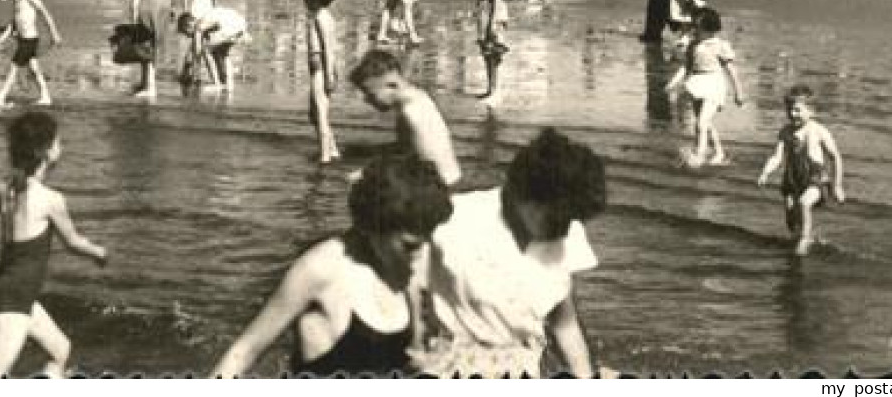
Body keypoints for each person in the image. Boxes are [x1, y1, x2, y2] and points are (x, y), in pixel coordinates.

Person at [213, 150, 453, 378]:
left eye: (428, 240)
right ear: (370, 227)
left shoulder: (410, 270)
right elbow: (244, 353)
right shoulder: (319, 270)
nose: (422, 255)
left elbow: (417, 359)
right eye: (409, 246)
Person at [0, 111, 108, 378]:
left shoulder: (6, 189)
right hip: (15, 298)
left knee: (60, 351)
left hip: (10, 289)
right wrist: (97, 252)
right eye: (59, 143)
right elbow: (72, 242)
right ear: (46, 153)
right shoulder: (51, 199)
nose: (62, 147)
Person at [421, 128, 605, 378]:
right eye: (556, 218)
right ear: (524, 193)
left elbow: (565, 324)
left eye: (571, 219)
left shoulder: (566, 230)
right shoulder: (451, 222)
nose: (564, 229)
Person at [349, 50, 461, 187]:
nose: (366, 100)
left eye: (370, 93)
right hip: (449, 179)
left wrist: (369, 174)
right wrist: (370, 151)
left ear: (391, 85)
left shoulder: (410, 113)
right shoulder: (418, 97)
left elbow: (426, 165)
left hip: (440, 187)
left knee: (357, 182)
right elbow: (408, 148)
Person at [757, 85, 846, 256]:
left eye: (798, 110)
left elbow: (835, 156)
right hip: (792, 179)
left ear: (811, 111)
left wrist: (837, 185)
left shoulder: (819, 131)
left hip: (815, 177)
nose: (792, 114)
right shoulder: (785, 132)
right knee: (790, 218)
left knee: (804, 203)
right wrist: (766, 172)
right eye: (789, 110)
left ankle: (805, 239)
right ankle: (801, 236)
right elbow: (777, 156)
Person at [665, 7, 742, 168]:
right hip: (697, 83)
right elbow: (686, 67)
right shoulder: (693, 45)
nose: (694, 29)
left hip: (714, 84)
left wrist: (738, 92)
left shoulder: (720, 45)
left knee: (701, 122)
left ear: (710, 28)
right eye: (693, 26)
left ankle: (699, 154)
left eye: (697, 27)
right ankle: (719, 153)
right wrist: (673, 83)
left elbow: (731, 70)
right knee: (705, 123)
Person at [0, 0, 62, 109]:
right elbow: (13, 23)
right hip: (24, 40)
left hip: (30, 39)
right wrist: (1, 39)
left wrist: (54, 34)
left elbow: (46, 14)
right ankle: (45, 96)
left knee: (14, 67)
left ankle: (1, 97)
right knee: (34, 67)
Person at [303, 0, 342, 164]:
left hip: (320, 71)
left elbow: (329, 48)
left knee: (320, 114)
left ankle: (325, 157)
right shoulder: (318, 17)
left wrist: (329, 76)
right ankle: (332, 150)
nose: (304, 2)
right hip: (316, 70)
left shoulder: (322, 18)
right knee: (314, 114)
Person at [196, 3, 248, 95]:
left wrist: (194, 71)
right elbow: (216, 26)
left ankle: (217, 84)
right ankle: (229, 84)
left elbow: (197, 49)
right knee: (223, 53)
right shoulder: (213, 14)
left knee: (206, 50)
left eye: (186, 32)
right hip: (241, 25)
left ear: (188, 25)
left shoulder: (199, 23)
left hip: (228, 28)